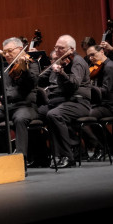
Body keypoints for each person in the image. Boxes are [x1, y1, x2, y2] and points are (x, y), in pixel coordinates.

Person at [0, 37, 38, 161]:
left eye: (10, 51)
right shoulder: (5, 69)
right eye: (5, 52)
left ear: (20, 49)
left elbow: (32, 82)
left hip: (25, 106)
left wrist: (25, 69)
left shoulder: (32, 64)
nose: (7, 55)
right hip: (7, 107)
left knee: (20, 119)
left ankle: (21, 160)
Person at [38, 35, 92, 168]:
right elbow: (39, 79)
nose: (56, 50)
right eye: (55, 47)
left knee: (54, 114)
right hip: (61, 102)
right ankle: (40, 156)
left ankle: (67, 156)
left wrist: (61, 73)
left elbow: (73, 85)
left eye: (60, 48)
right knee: (33, 114)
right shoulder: (58, 61)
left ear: (71, 49)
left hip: (78, 102)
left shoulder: (78, 62)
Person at [82, 44, 113, 160]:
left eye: (92, 55)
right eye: (89, 56)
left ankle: (101, 147)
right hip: (101, 105)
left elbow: (105, 91)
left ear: (102, 51)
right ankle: (106, 146)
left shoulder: (110, 67)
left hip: (110, 106)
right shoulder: (100, 67)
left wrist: (87, 86)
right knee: (81, 113)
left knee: (87, 116)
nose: (91, 58)